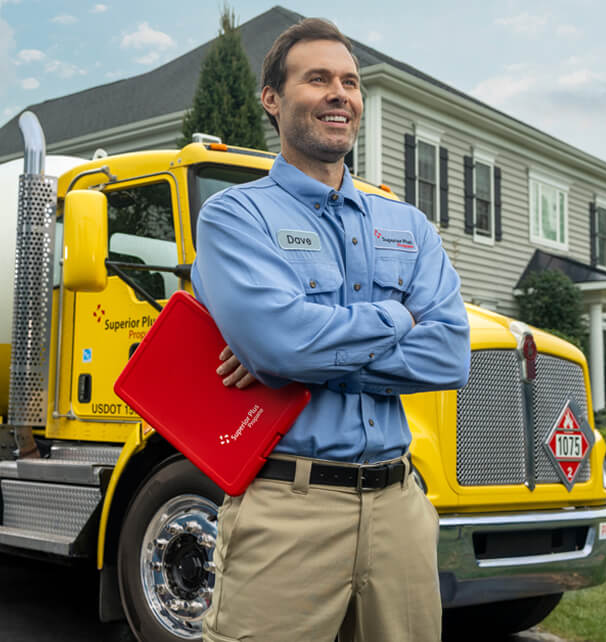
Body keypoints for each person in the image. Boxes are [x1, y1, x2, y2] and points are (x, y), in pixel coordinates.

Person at [190, 17, 470, 642]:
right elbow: (282, 341)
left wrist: (297, 357)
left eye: (350, 82)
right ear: (273, 99)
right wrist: (399, 318)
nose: (339, 93)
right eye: (317, 79)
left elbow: (451, 355)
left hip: (401, 508)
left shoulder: (410, 226)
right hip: (289, 507)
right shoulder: (236, 216)